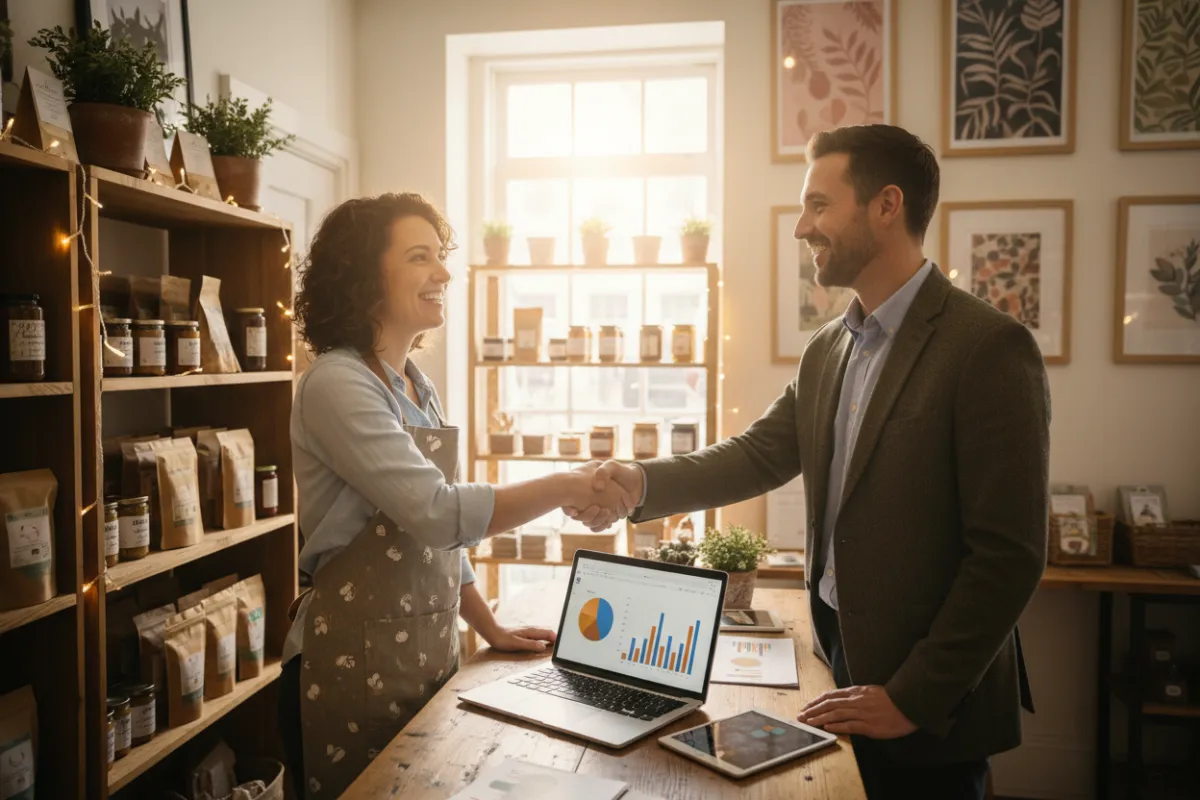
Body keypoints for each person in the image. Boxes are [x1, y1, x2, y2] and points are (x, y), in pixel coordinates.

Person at [577, 124, 1049, 800]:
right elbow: (759, 454)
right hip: (839, 663)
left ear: (887, 206)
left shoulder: (988, 348)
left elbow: (1009, 555)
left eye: (819, 205)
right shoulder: (828, 347)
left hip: (931, 703)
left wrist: (913, 697)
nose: (802, 227)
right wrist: (640, 482)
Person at [279, 192, 634, 799]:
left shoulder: (418, 387)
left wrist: (487, 625)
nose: (443, 272)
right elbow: (441, 513)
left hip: (424, 653)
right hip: (346, 664)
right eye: (421, 257)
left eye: (440, 256)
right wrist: (567, 484)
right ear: (364, 276)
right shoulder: (336, 383)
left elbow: (436, 540)